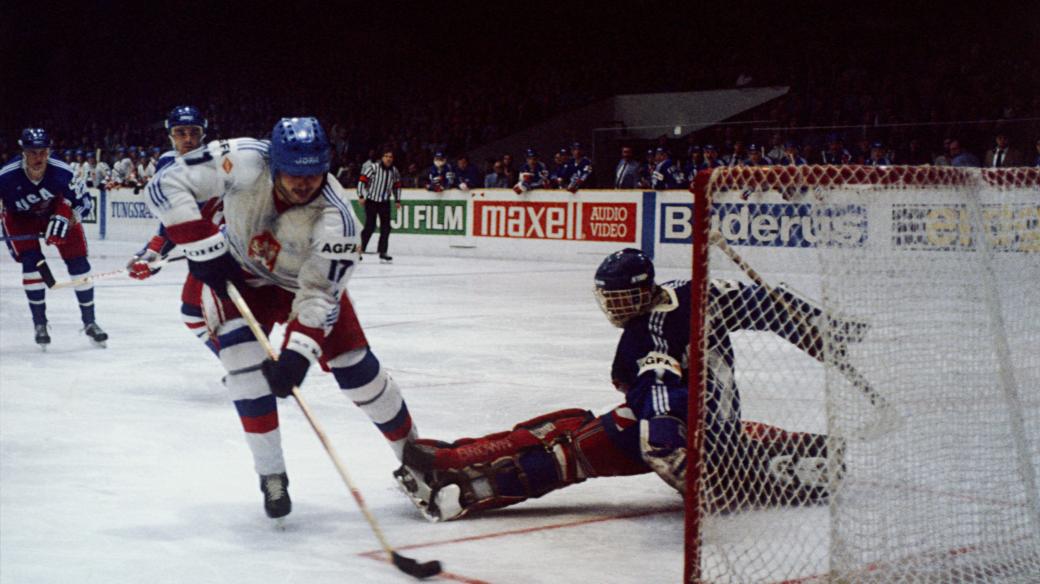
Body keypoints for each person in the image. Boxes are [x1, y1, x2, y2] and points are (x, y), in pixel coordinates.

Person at [394, 249, 851, 521]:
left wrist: (668, 444)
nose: (615, 307)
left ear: (643, 290)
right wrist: (824, 331)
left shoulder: (644, 333)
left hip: (684, 435)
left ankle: (460, 479)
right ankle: (454, 460)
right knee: (571, 427)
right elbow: (767, 303)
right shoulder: (693, 293)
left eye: (622, 297)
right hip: (715, 423)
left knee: (568, 442)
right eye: (609, 299)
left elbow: (657, 390)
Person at [144, 117, 418, 521]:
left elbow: (320, 296)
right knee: (242, 366)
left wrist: (298, 356)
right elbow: (164, 186)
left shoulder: (338, 221)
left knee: (357, 371)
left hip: (300, 287)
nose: (304, 183)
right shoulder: (244, 159)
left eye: (314, 173)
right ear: (276, 163)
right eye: (293, 173)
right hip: (241, 276)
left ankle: (415, 457)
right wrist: (203, 247)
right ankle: (272, 474)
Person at [0, 128, 107, 349]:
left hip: (57, 213)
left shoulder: (64, 172)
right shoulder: (6, 176)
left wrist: (68, 219)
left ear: (49, 152)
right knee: (32, 265)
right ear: (23, 153)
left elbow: (85, 203)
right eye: (32, 153)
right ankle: (40, 323)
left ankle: (90, 322)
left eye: (43, 152)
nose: (38, 158)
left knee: (79, 263)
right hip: (19, 218)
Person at [126, 106, 215, 349]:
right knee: (193, 313)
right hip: (205, 251)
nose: (188, 139)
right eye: (181, 132)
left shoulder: (218, 160)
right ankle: (242, 368)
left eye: (194, 132)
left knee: (213, 313)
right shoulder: (166, 162)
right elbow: (173, 220)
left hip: (231, 246)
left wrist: (155, 251)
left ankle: (248, 371)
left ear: (203, 134)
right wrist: (151, 253)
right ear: (170, 135)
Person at [358, 147, 402, 263]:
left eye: (390, 157)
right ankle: (359, 251)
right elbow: (362, 181)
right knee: (370, 227)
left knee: (386, 228)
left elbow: (396, 186)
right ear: (382, 157)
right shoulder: (373, 168)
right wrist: (361, 196)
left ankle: (383, 252)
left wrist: (397, 200)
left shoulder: (394, 171)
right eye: (386, 156)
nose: (388, 159)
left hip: (385, 202)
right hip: (372, 201)